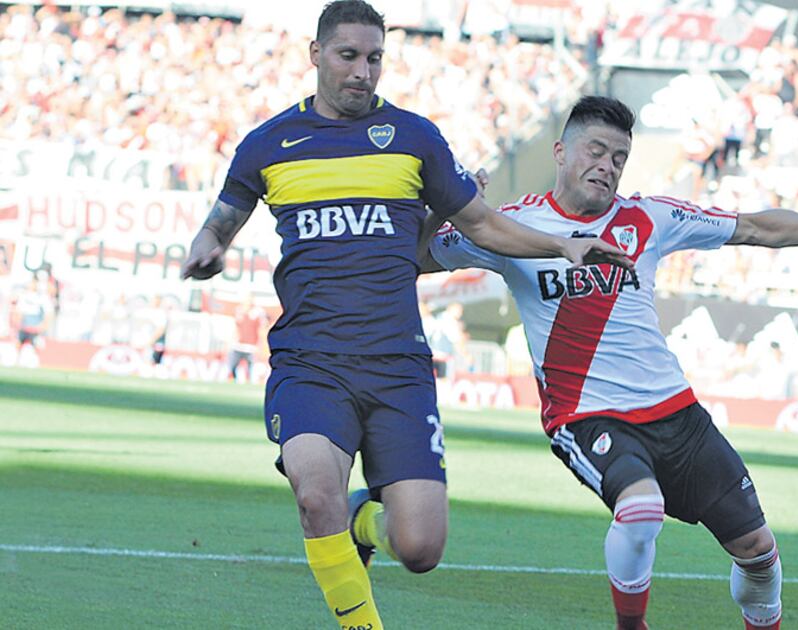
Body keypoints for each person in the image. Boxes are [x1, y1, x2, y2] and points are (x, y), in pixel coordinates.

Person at [179, 3, 629, 628]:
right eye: (348, 56)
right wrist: (209, 243)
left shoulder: (415, 138)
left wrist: (562, 243)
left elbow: (482, 224)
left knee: (420, 549)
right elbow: (224, 214)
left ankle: (365, 518)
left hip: (397, 367)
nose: (363, 72)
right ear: (315, 56)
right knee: (314, 494)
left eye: (374, 58)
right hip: (311, 361)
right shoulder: (267, 144)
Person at [422, 96, 798, 630]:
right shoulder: (509, 229)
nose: (607, 166)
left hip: (677, 415)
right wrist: (444, 206)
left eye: (618, 158)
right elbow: (419, 258)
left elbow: (754, 228)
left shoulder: (650, 217)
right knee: (640, 509)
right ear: (561, 153)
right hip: (589, 416)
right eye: (596, 150)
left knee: (759, 552)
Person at [227, 294, 268, 382]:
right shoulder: (239, 311)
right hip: (238, 345)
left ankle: (250, 382)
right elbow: (236, 328)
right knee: (232, 365)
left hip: (251, 347)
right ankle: (235, 380)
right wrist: (231, 341)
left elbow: (261, 329)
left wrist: (260, 344)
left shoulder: (257, 313)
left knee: (251, 368)